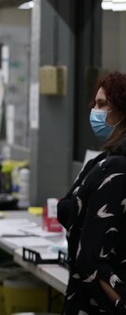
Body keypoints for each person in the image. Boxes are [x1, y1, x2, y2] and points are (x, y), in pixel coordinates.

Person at [57, 72, 126, 314]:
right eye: (94, 104)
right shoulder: (102, 162)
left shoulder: (117, 169)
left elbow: (93, 259)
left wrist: (119, 303)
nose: (94, 112)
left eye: (102, 104)